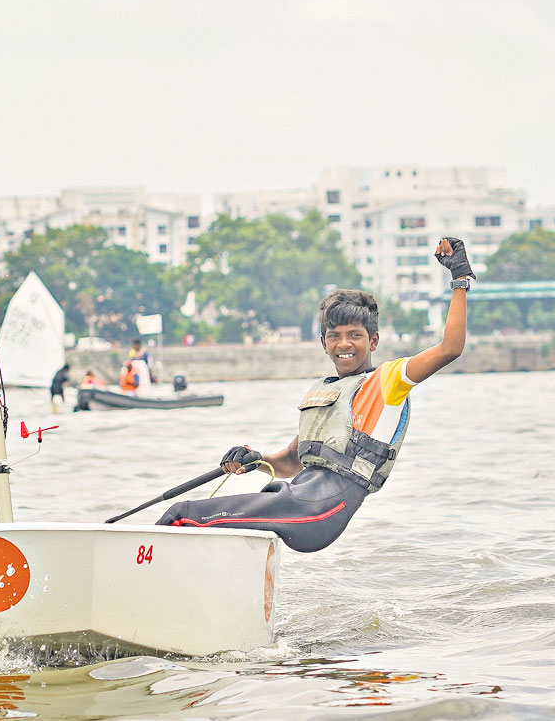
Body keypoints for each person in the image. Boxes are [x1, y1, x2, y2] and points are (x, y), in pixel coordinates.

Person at [156, 237, 474, 553]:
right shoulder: (323, 390)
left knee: (180, 515)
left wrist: (458, 280)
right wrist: (254, 459)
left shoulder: (387, 381)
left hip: (320, 509)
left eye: (355, 335)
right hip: (295, 494)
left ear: (373, 341)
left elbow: (450, 349)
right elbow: (290, 462)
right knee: (216, 528)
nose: (344, 344)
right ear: (324, 343)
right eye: (334, 336)